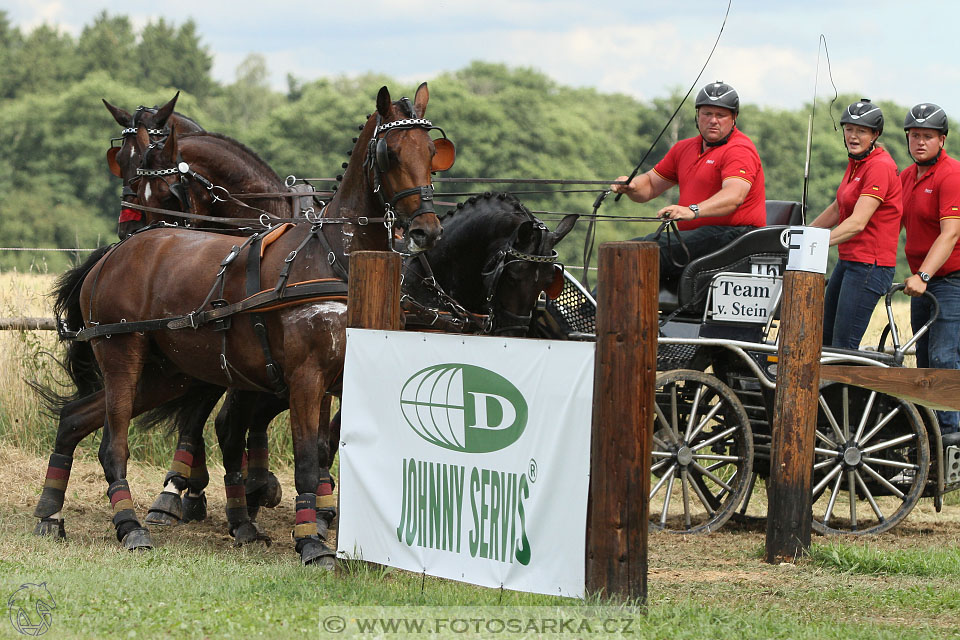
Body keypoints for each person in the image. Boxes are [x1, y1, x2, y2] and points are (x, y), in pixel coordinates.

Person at [611, 81, 766, 283]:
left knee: (640, 252)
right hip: (695, 239)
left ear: (734, 118)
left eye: (721, 115)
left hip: (733, 237)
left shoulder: (739, 150)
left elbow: (734, 197)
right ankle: (605, 312)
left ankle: (592, 313)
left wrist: (692, 210)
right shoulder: (684, 149)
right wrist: (631, 186)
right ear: (697, 115)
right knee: (625, 251)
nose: (713, 120)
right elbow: (649, 185)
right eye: (707, 114)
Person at [810, 99, 902, 350]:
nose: (853, 135)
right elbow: (839, 207)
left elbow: (858, 222)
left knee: (842, 345)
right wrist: (805, 233)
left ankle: (846, 389)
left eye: (861, 131)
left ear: (875, 134)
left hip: (870, 265)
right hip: (848, 260)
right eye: (849, 129)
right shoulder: (857, 162)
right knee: (823, 340)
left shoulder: (880, 166)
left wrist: (816, 243)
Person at [900, 103, 960, 441]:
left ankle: (951, 440)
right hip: (922, 283)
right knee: (923, 361)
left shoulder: (951, 174)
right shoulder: (907, 177)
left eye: (928, 136)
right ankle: (931, 436)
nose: (920, 142)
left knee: (944, 359)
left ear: (942, 139)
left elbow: (950, 233)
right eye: (915, 135)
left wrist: (922, 276)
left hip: (950, 281)